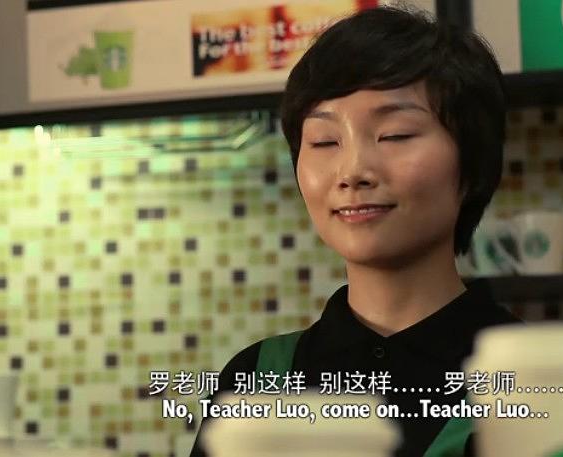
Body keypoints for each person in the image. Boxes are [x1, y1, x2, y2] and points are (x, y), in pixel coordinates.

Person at [190, 5, 520, 456]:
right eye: (324, 142)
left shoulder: (542, 379)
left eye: (395, 135)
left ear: (473, 164)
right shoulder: (256, 381)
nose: (353, 171)